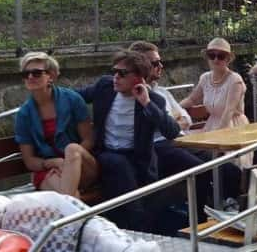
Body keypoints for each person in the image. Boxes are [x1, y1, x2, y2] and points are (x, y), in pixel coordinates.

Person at [76, 49, 195, 231]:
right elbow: (75, 96)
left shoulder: (154, 99)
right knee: (118, 164)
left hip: (137, 158)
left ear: (140, 77)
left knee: (158, 184)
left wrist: (146, 103)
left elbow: (172, 131)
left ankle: (141, 226)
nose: (116, 77)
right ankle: (139, 225)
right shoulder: (105, 87)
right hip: (107, 154)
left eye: (122, 73)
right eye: (114, 71)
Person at [13, 52, 98, 199]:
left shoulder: (72, 100)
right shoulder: (24, 115)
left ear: (51, 76)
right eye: (26, 74)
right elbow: (29, 161)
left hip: (81, 164)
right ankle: (73, 212)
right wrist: (53, 163)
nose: (31, 77)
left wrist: (68, 165)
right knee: (71, 197)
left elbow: (89, 140)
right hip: (48, 169)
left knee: (72, 148)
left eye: (37, 73)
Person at [180, 38, 249, 132]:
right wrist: (173, 109)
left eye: (221, 56)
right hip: (211, 125)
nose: (215, 59)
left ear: (228, 59)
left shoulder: (235, 80)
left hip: (233, 127)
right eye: (211, 55)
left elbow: (229, 111)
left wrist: (217, 135)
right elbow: (192, 99)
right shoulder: (205, 78)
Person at [129, 41, 193, 133]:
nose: (161, 66)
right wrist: (174, 124)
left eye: (160, 61)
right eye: (155, 63)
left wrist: (173, 125)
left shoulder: (163, 92)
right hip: (163, 144)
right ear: (141, 66)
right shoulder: (135, 96)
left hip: (180, 140)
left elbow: (187, 120)